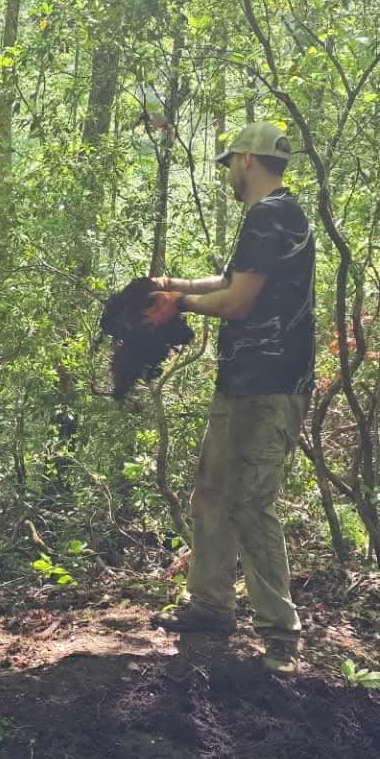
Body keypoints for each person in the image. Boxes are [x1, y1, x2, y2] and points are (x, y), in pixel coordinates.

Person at [147, 122, 315, 661]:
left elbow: (236, 303)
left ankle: (280, 635)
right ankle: (209, 608)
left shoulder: (271, 217)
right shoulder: (272, 215)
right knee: (212, 494)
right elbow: (227, 282)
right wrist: (170, 287)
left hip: (268, 386)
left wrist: (175, 308)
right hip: (242, 382)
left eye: (230, 162)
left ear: (247, 160)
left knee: (249, 502)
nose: (228, 173)